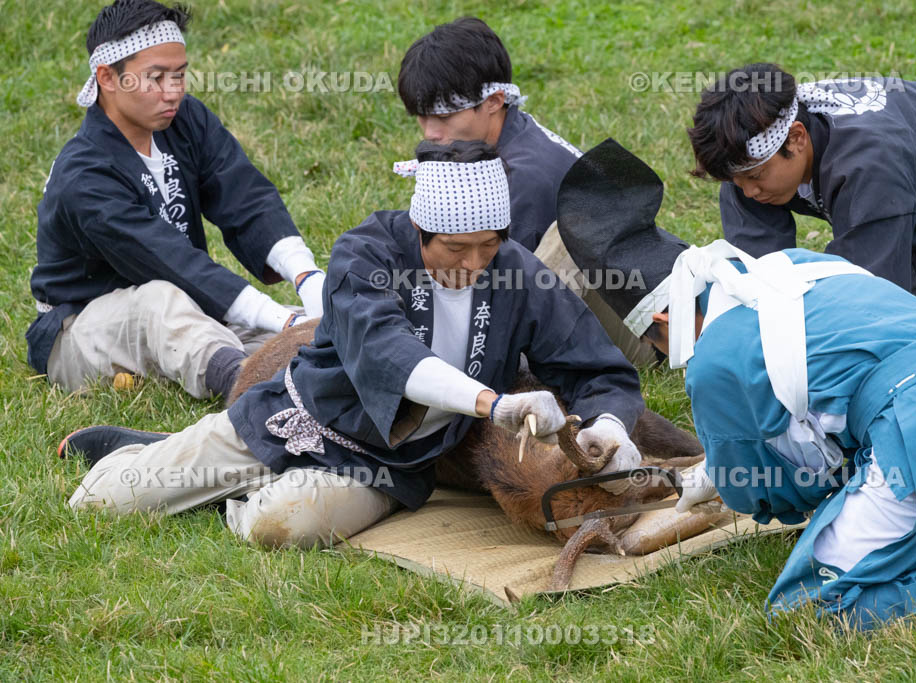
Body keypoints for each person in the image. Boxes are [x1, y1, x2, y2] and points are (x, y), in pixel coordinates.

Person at [63, 140, 646, 550]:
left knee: (279, 526)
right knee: (99, 503)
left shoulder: (517, 274)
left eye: (488, 246)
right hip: (296, 414)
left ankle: (230, 494)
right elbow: (390, 353)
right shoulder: (364, 254)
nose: (473, 264)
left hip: (388, 465)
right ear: (420, 230)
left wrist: (612, 428)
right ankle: (145, 458)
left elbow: (601, 371)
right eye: (455, 248)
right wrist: (494, 405)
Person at [560, 139, 916, 628]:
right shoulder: (799, 264)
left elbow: (788, 489)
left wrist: (729, 478)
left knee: (810, 608)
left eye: (656, 341)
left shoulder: (714, 361)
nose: (662, 355)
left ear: (662, 318)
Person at [28, 0, 326, 400]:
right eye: (155, 78)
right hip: (82, 328)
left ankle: (310, 371)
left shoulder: (185, 119)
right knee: (162, 300)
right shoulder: (84, 175)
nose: (173, 92)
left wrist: (307, 277)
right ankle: (245, 386)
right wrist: (282, 317)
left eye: (180, 75)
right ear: (107, 77)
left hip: (185, 303)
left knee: (294, 335)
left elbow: (245, 196)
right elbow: (166, 260)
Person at [687, 63, 916, 350]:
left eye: (756, 177)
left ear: (797, 138)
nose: (748, 193)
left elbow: (864, 305)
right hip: (906, 211)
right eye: (736, 182)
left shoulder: (868, 164)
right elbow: (761, 281)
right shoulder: (748, 160)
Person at [397, 17, 655, 364]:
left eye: (444, 117)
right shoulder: (502, 141)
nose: (429, 132)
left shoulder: (523, 177)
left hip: (640, 337)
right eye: (421, 116)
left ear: (494, 100)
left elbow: (497, 294)